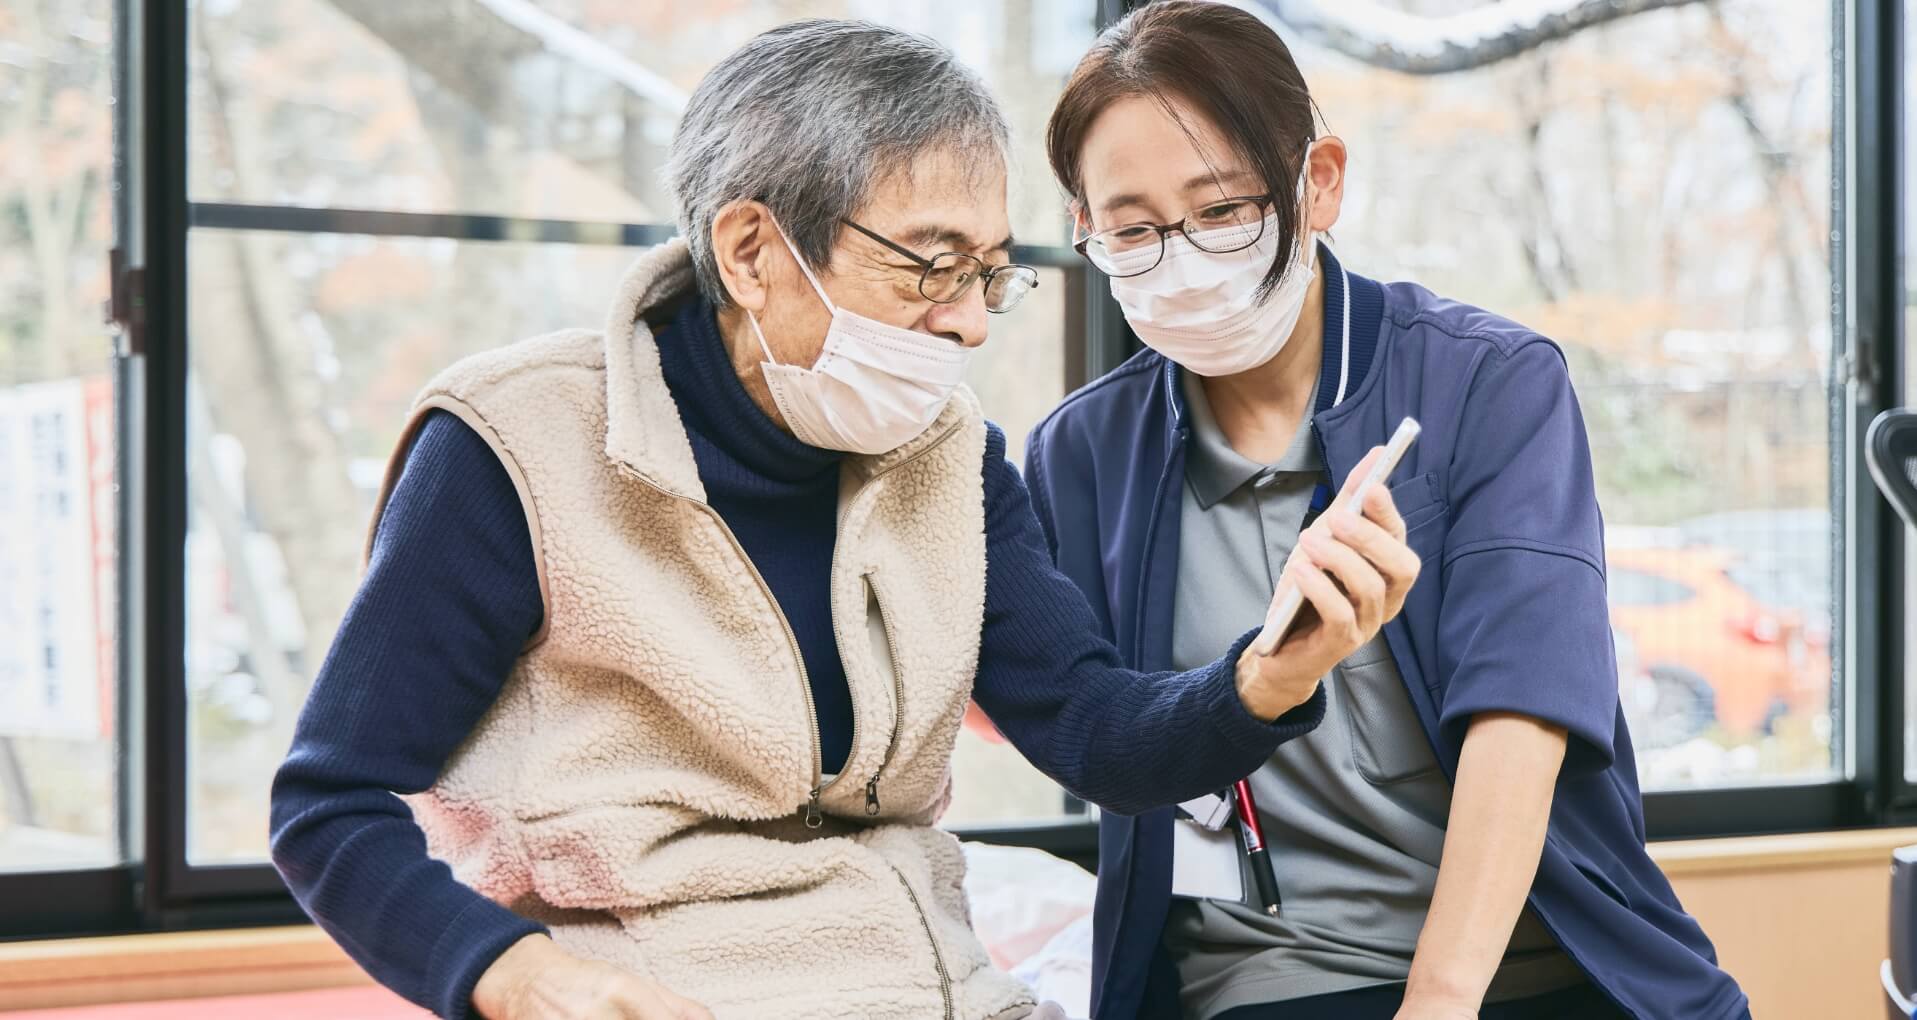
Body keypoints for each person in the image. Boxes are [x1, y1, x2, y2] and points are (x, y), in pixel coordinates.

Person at [268, 18, 1420, 1020]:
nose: (971, 325)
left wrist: (1270, 674)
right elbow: (329, 805)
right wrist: (510, 974)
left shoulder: (954, 460)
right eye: (930, 267)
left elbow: (1092, 731)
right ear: (754, 250)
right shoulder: (515, 449)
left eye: (989, 273)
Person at [1022, 4, 1750, 1020]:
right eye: (1135, 228)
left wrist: (1440, 1002)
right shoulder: (1082, 453)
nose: (1181, 257)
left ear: (1317, 183)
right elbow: (1096, 726)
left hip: (1539, 961)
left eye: (1224, 209)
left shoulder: (1487, 386)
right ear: (1085, 232)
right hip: (1275, 980)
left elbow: (1522, 714)